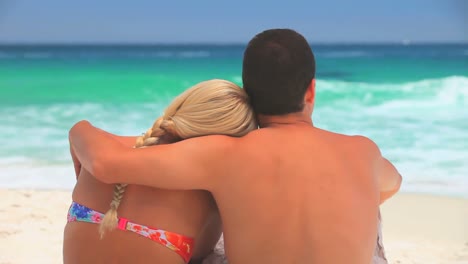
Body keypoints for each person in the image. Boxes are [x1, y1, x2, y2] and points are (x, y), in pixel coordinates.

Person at [69, 29, 402, 264]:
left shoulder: (225, 153)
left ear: (247, 92)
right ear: (311, 90)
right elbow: (391, 185)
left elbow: (105, 163)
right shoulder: (363, 151)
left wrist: (79, 130)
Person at [64, 79, 257, 264]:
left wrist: (78, 131)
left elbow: (84, 135)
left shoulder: (100, 148)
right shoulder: (205, 192)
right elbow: (200, 254)